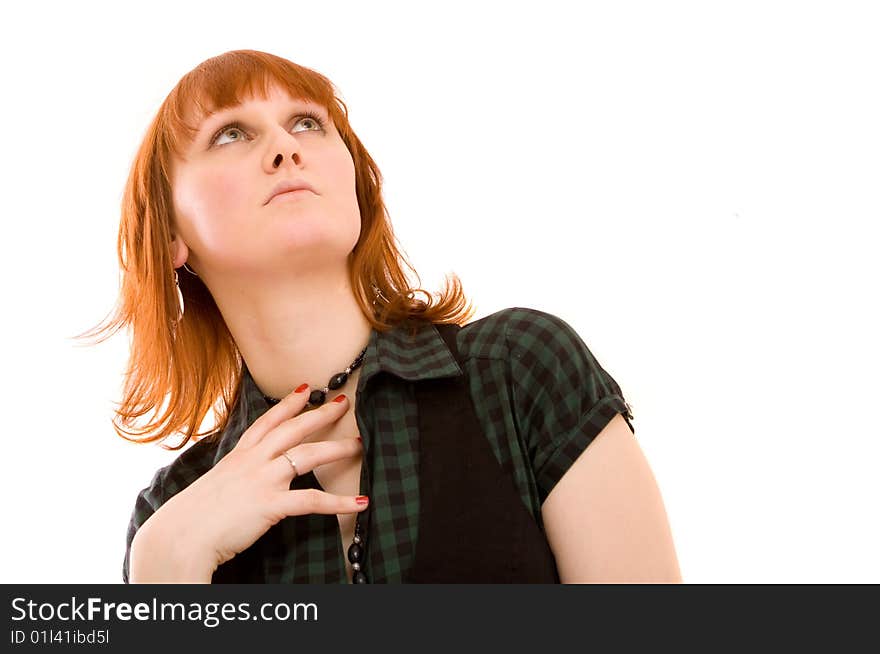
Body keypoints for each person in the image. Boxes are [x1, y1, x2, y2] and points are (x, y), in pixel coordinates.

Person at [78, 49, 681, 584]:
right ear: (170, 236)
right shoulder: (170, 512)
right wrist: (165, 571)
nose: (285, 147)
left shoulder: (520, 368)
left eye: (308, 123)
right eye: (230, 134)